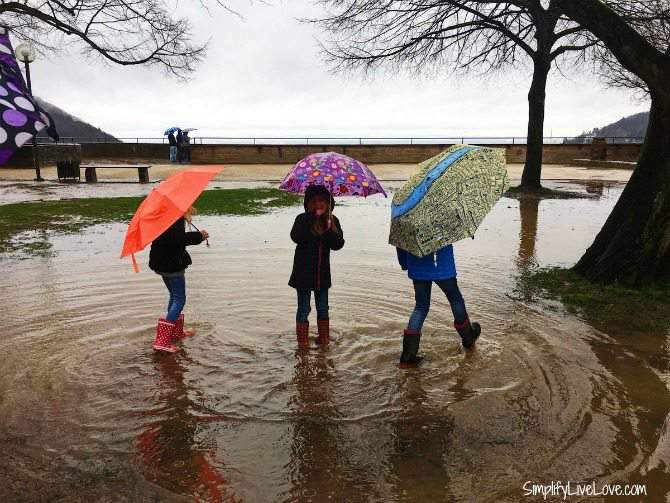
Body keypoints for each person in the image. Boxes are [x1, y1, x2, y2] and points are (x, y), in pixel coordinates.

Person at [396, 245, 481, 368]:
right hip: (442, 265)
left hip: (417, 266)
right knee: (455, 299)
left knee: (420, 307)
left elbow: (401, 242)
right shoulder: (444, 223)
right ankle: (468, 337)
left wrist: (404, 262)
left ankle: (407, 357)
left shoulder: (403, 224)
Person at [289, 185, 344, 348]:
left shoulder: (333, 220)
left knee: (323, 309)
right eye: (314, 201)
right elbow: (296, 237)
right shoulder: (302, 219)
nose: (318, 204)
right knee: (304, 308)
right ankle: (303, 343)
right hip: (303, 276)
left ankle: (324, 340)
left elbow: (338, 244)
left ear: (329, 203)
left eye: (322, 201)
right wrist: (311, 217)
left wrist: (329, 229)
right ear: (307, 204)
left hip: (322, 276)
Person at [149, 207, 209, 353]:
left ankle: (175, 333)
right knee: (179, 299)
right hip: (172, 264)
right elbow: (176, 240)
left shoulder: (165, 215)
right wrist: (199, 236)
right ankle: (162, 341)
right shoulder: (175, 217)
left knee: (174, 297)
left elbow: (172, 238)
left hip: (161, 262)